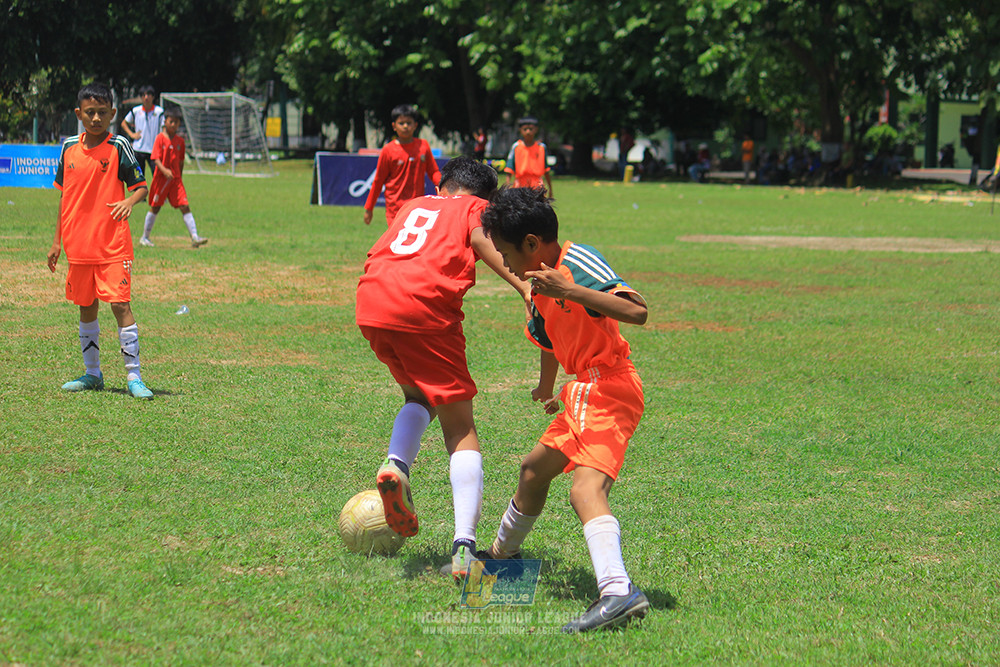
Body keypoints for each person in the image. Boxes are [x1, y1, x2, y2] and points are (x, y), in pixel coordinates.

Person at [477, 186, 650, 633]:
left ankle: (617, 592)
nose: (507, 264)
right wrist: (547, 384)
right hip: (582, 392)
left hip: (609, 389)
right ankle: (502, 561)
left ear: (533, 244)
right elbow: (552, 339)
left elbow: (637, 312)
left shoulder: (577, 262)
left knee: (584, 491)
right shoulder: (539, 284)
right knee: (533, 471)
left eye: (507, 253)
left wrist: (572, 290)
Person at [355, 157, 531, 579]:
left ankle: (396, 465)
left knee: (419, 395)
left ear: (444, 184)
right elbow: (482, 241)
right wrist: (526, 288)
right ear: (484, 200)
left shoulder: (416, 204)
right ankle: (464, 549)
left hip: (372, 303)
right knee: (460, 428)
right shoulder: (472, 209)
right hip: (424, 309)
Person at [47, 83, 153, 400]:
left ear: (112, 114)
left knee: (120, 304)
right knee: (86, 305)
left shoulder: (119, 145)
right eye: (90, 112)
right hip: (78, 246)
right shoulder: (68, 148)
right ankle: (93, 373)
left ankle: (134, 377)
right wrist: (56, 242)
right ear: (79, 114)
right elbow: (65, 199)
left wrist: (128, 202)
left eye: (102, 113)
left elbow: (141, 186)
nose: (96, 118)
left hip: (112, 244)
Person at [139, 107, 208, 248]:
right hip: (161, 180)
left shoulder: (180, 141)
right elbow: (155, 159)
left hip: (175, 181)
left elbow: (181, 161)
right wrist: (164, 171)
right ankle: (144, 237)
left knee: (185, 206)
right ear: (165, 121)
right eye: (171, 122)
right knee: (155, 207)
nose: (173, 125)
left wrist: (179, 177)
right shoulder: (160, 139)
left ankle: (195, 237)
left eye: (176, 122)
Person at [363, 104, 441, 226]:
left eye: (409, 123)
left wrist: (444, 186)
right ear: (394, 126)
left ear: (415, 125)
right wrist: (369, 208)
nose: (405, 126)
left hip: (417, 206)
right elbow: (378, 181)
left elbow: (433, 172)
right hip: (395, 208)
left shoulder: (423, 146)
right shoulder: (388, 150)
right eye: (401, 123)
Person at [120, 85, 164, 178]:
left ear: (153, 96)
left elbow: (164, 128)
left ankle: (157, 193)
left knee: (157, 176)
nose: (146, 97)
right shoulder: (136, 111)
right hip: (138, 149)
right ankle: (141, 192)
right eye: (143, 95)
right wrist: (132, 135)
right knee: (138, 177)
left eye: (148, 95)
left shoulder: (159, 111)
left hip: (154, 149)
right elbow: (124, 123)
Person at [504, 116, 553, 195]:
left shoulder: (541, 147)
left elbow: (546, 170)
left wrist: (550, 188)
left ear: (536, 129)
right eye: (525, 129)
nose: (528, 132)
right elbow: (509, 169)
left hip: (537, 185)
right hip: (520, 185)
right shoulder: (516, 146)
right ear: (520, 130)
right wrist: (507, 186)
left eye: (531, 129)